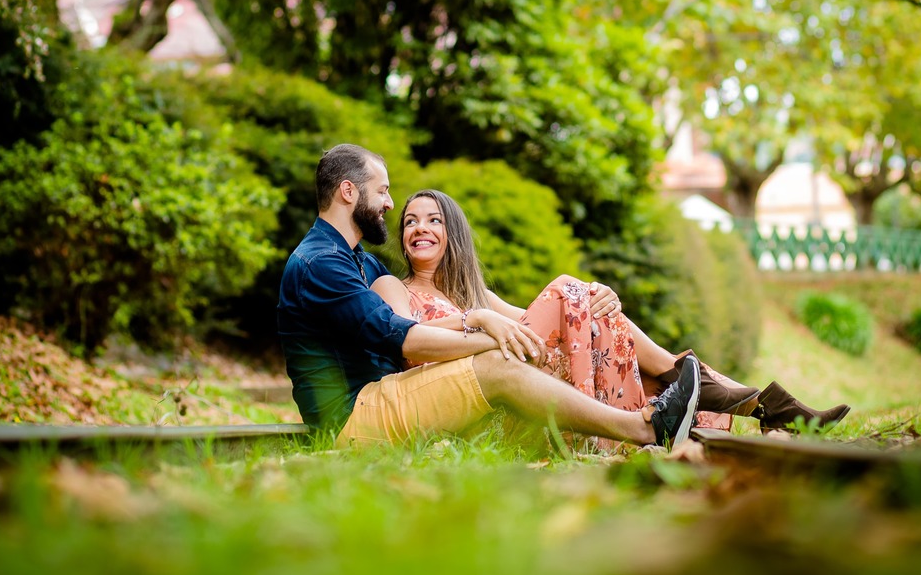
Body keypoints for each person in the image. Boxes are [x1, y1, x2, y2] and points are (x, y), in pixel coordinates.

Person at [277, 144, 702, 450]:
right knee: (500, 364)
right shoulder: (320, 264)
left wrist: (482, 321)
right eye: (382, 191)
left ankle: (689, 392)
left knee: (541, 330)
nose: (389, 202)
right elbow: (403, 338)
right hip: (353, 417)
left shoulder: (363, 263)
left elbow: (412, 328)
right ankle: (644, 428)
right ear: (349, 192)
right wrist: (492, 331)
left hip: (390, 392)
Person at [372, 189, 850, 436]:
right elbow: (410, 342)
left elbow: (541, 321)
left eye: (434, 219)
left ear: (453, 233)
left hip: (525, 382)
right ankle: (728, 392)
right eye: (410, 220)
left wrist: (603, 306)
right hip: (478, 402)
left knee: (586, 301)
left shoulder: (474, 294)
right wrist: (478, 321)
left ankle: (752, 402)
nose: (420, 228)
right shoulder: (393, 285)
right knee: (565, 287)